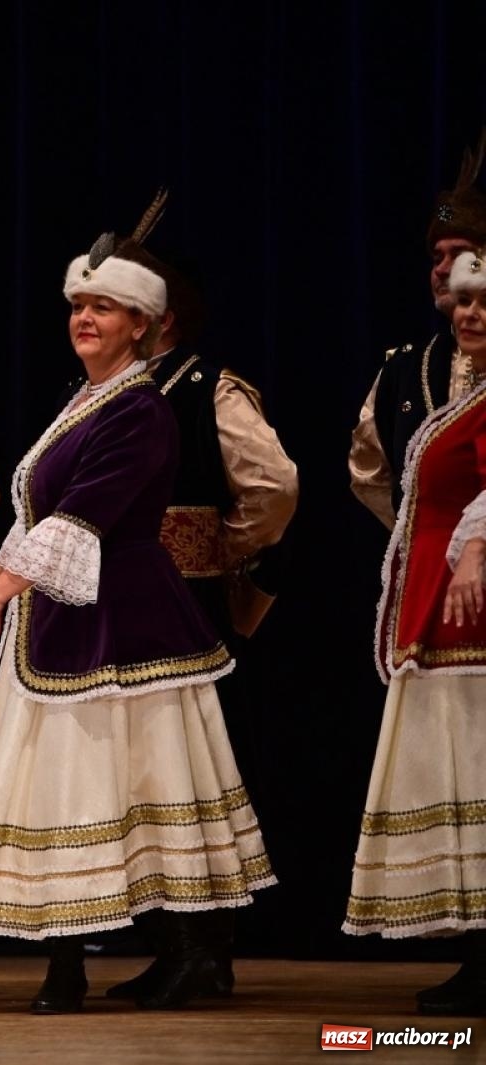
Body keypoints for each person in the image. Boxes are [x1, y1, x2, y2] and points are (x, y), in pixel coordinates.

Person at [0, 215, 275, 1013]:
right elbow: (29, 513)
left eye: (104, 307)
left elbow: (77, 518)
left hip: (127, 622)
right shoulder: (83, 400)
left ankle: (189, 953)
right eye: (76, 305)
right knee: (74, 788)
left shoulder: (142, 410)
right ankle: (69, 963)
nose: (85, 319)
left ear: (143, 323)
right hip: (62, 616)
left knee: (139, 782)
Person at [98, 216, 299, 1001]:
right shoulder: (99, 394)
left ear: (160, 314)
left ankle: (204, 945)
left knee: (191, 770)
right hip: (113, 608)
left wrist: (218, 542)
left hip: (183, 606)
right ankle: (171, 938)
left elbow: (274, 484)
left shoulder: (204, 386)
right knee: (140, 774)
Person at [342, 249, 484, 1017]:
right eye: (462, 299)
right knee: (459, 768)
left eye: (483, 299)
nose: (469, 313)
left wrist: (472, 548)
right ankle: (476, 947)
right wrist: (417, 544)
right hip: (434, 592)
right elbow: (381, 475)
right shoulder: (412, 367)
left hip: (472, 603)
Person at [350, 129, 486, 528]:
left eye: (459, 255)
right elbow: (368, 471)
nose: (442, 269)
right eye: (436, 256)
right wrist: (421, 534)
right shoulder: (405, 369)